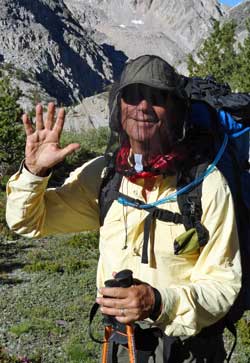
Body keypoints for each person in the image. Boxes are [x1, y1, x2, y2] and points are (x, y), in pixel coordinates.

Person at [6, 55, 241, 362]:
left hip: (189, 348)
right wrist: (34, 173)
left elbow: (223, 284)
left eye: (157, 98)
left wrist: (159, 303)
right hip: (120, 345)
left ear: (175, 111)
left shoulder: (206, 184)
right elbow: (28, 223)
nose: (143, 107)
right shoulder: (105, 175)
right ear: (119, 107)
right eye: (133, 96)